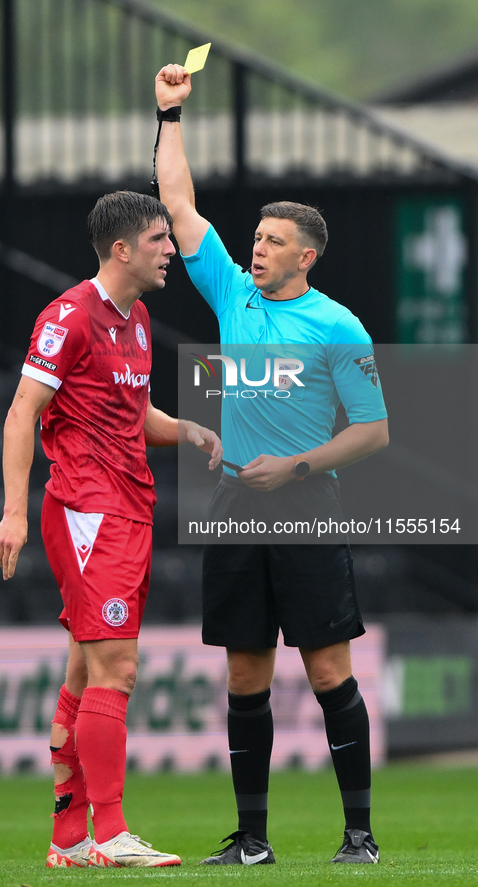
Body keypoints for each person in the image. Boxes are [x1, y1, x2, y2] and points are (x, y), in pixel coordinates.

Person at [154, 65, 389, 866]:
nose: (255, 248)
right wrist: (170, 115)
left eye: (272, 241)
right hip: (232, 503)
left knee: (327, 669)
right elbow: (178, 204)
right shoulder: (231, 294)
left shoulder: (337, 325)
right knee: (244, 674)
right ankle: (251, 839)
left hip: (305, 501)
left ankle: (358, 835)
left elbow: (374, 430)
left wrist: (294, 468)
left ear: (306, 256)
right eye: (253, 239)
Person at [0, 190, 222, 869]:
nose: (169, 251)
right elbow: (20, 414)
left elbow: (135, 414)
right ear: (121, 249)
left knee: (84, 670)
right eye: (158, 239)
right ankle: (112, 831)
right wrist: (12, 510)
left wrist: (187, 428)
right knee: (116, 669)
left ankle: (68, 839)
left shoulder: (140, 318)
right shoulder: (68, 316)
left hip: (129, 505)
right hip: (87, 509)